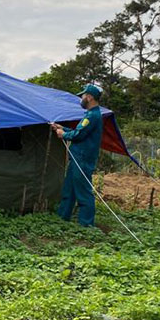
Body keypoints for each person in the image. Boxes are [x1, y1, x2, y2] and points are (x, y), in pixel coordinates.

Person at [51, 83, 104, 227]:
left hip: (83, 158)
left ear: (90, 97)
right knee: (69, 188)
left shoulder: (93, 116)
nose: (81, 98)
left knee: (83, 192)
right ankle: (63, 217)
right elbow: (81, 131)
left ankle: (86, 224)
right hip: (77, 157)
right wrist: (63, 128)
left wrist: (63, 134)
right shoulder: (89, 115)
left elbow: (79, 135)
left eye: (83, 96)